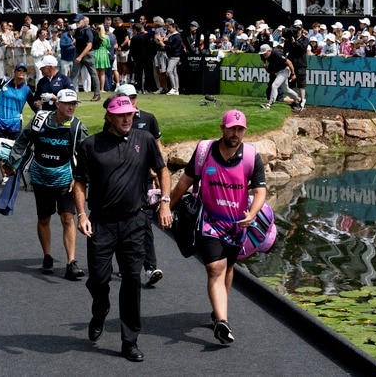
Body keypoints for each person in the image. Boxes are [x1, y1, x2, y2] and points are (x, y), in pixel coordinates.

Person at [73, 95, 172, 363]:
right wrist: (81, 214)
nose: (127, 118)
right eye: (121, 114)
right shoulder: (90, 145)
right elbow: (79, 182)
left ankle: (130, 341)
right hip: (101, 223)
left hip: (134, 222)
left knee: (131, 280)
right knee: (98, 280)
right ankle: (101, 308)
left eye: (130, 114)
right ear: (109, 116)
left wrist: (165, 203)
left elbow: (163, 171)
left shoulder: (145, 140)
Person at [169, 109, 267, 345]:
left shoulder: (252, 157)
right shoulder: (205, 152)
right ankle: (222, 321)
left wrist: (252, 214)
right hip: (209, 222)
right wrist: (167, 206)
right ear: (222, 128)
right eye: (231, 128)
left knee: (229, 267)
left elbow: (260, 191)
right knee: (215, 267)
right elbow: (185, 181)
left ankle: (218, 310)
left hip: (236, 225)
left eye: (240, 129)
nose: (235, 133)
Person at [4, 88, 88, 279]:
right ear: (57, 104)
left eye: (74, 104)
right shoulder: (39, 120)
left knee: (67, 218)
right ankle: (47, 256)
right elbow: (22, 140)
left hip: (65, 180)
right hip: (41, 177)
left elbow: (85, 155)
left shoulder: (77, 127)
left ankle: (71, 263)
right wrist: (12, 162)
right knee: (44, 218)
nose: (71, 107)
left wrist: (79, 177)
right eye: (67, 103)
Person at [114, 83, 164, 284]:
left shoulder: (148, 118)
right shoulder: (114, 120)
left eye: (134, 97)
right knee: (122, 224)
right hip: (122, 182)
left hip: (144, 181)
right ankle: (126, 262)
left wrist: (160, 176)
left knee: (145, 224)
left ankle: (150, 268)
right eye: (127, 97)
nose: (132, 101)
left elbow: (157, 148)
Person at [0, 62, 38, 184]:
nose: (21, 73)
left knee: (14, 150)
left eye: (23, 71)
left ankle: (12, 172)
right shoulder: (4, 82)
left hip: (15, 124)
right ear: (15, 71)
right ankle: (5, 176)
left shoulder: (27, 90)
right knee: (0, 150)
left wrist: (43, 115)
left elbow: (34, 106)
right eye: (19, 70)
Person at [258, 44, 301, 110]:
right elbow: (268, 70)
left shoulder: (277, 53)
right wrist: (265, 66)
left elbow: (289, 63)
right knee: (286, 89)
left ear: (269, 51)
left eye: (265, 53)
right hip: (277, 72)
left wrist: (293, 74)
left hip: (284, 70)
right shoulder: (264, 55)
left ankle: (269, 104)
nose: (263, 55)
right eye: (262, 53)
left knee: (274, 85)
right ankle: (298, 98)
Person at [70, 14, 100, 102]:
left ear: (83, 21)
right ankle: (70, 94)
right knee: (73, 75)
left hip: (87, 55)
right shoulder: (78, 30)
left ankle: (97, 94)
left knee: (93, 74)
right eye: (76, 22)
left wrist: (80, 56)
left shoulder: (88, 31)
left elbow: (89, 46)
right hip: (78, 54)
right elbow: (76, 41)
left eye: (78, 21)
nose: (76, 23)